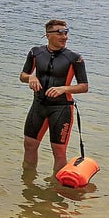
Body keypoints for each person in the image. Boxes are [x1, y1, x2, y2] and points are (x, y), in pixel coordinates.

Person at [20, 20, 89, 177]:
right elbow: (22, 75)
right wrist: (30, 78)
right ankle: (28, 181)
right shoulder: (35, 52)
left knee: (58, 150)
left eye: (66, 32)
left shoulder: (74, 58)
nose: (64, 36)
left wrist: (64, 88)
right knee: (29, 144)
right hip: (38, 105)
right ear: (48, 35)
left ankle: (56, 187)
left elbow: (84, 86)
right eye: (60, 33)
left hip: (61, 108)